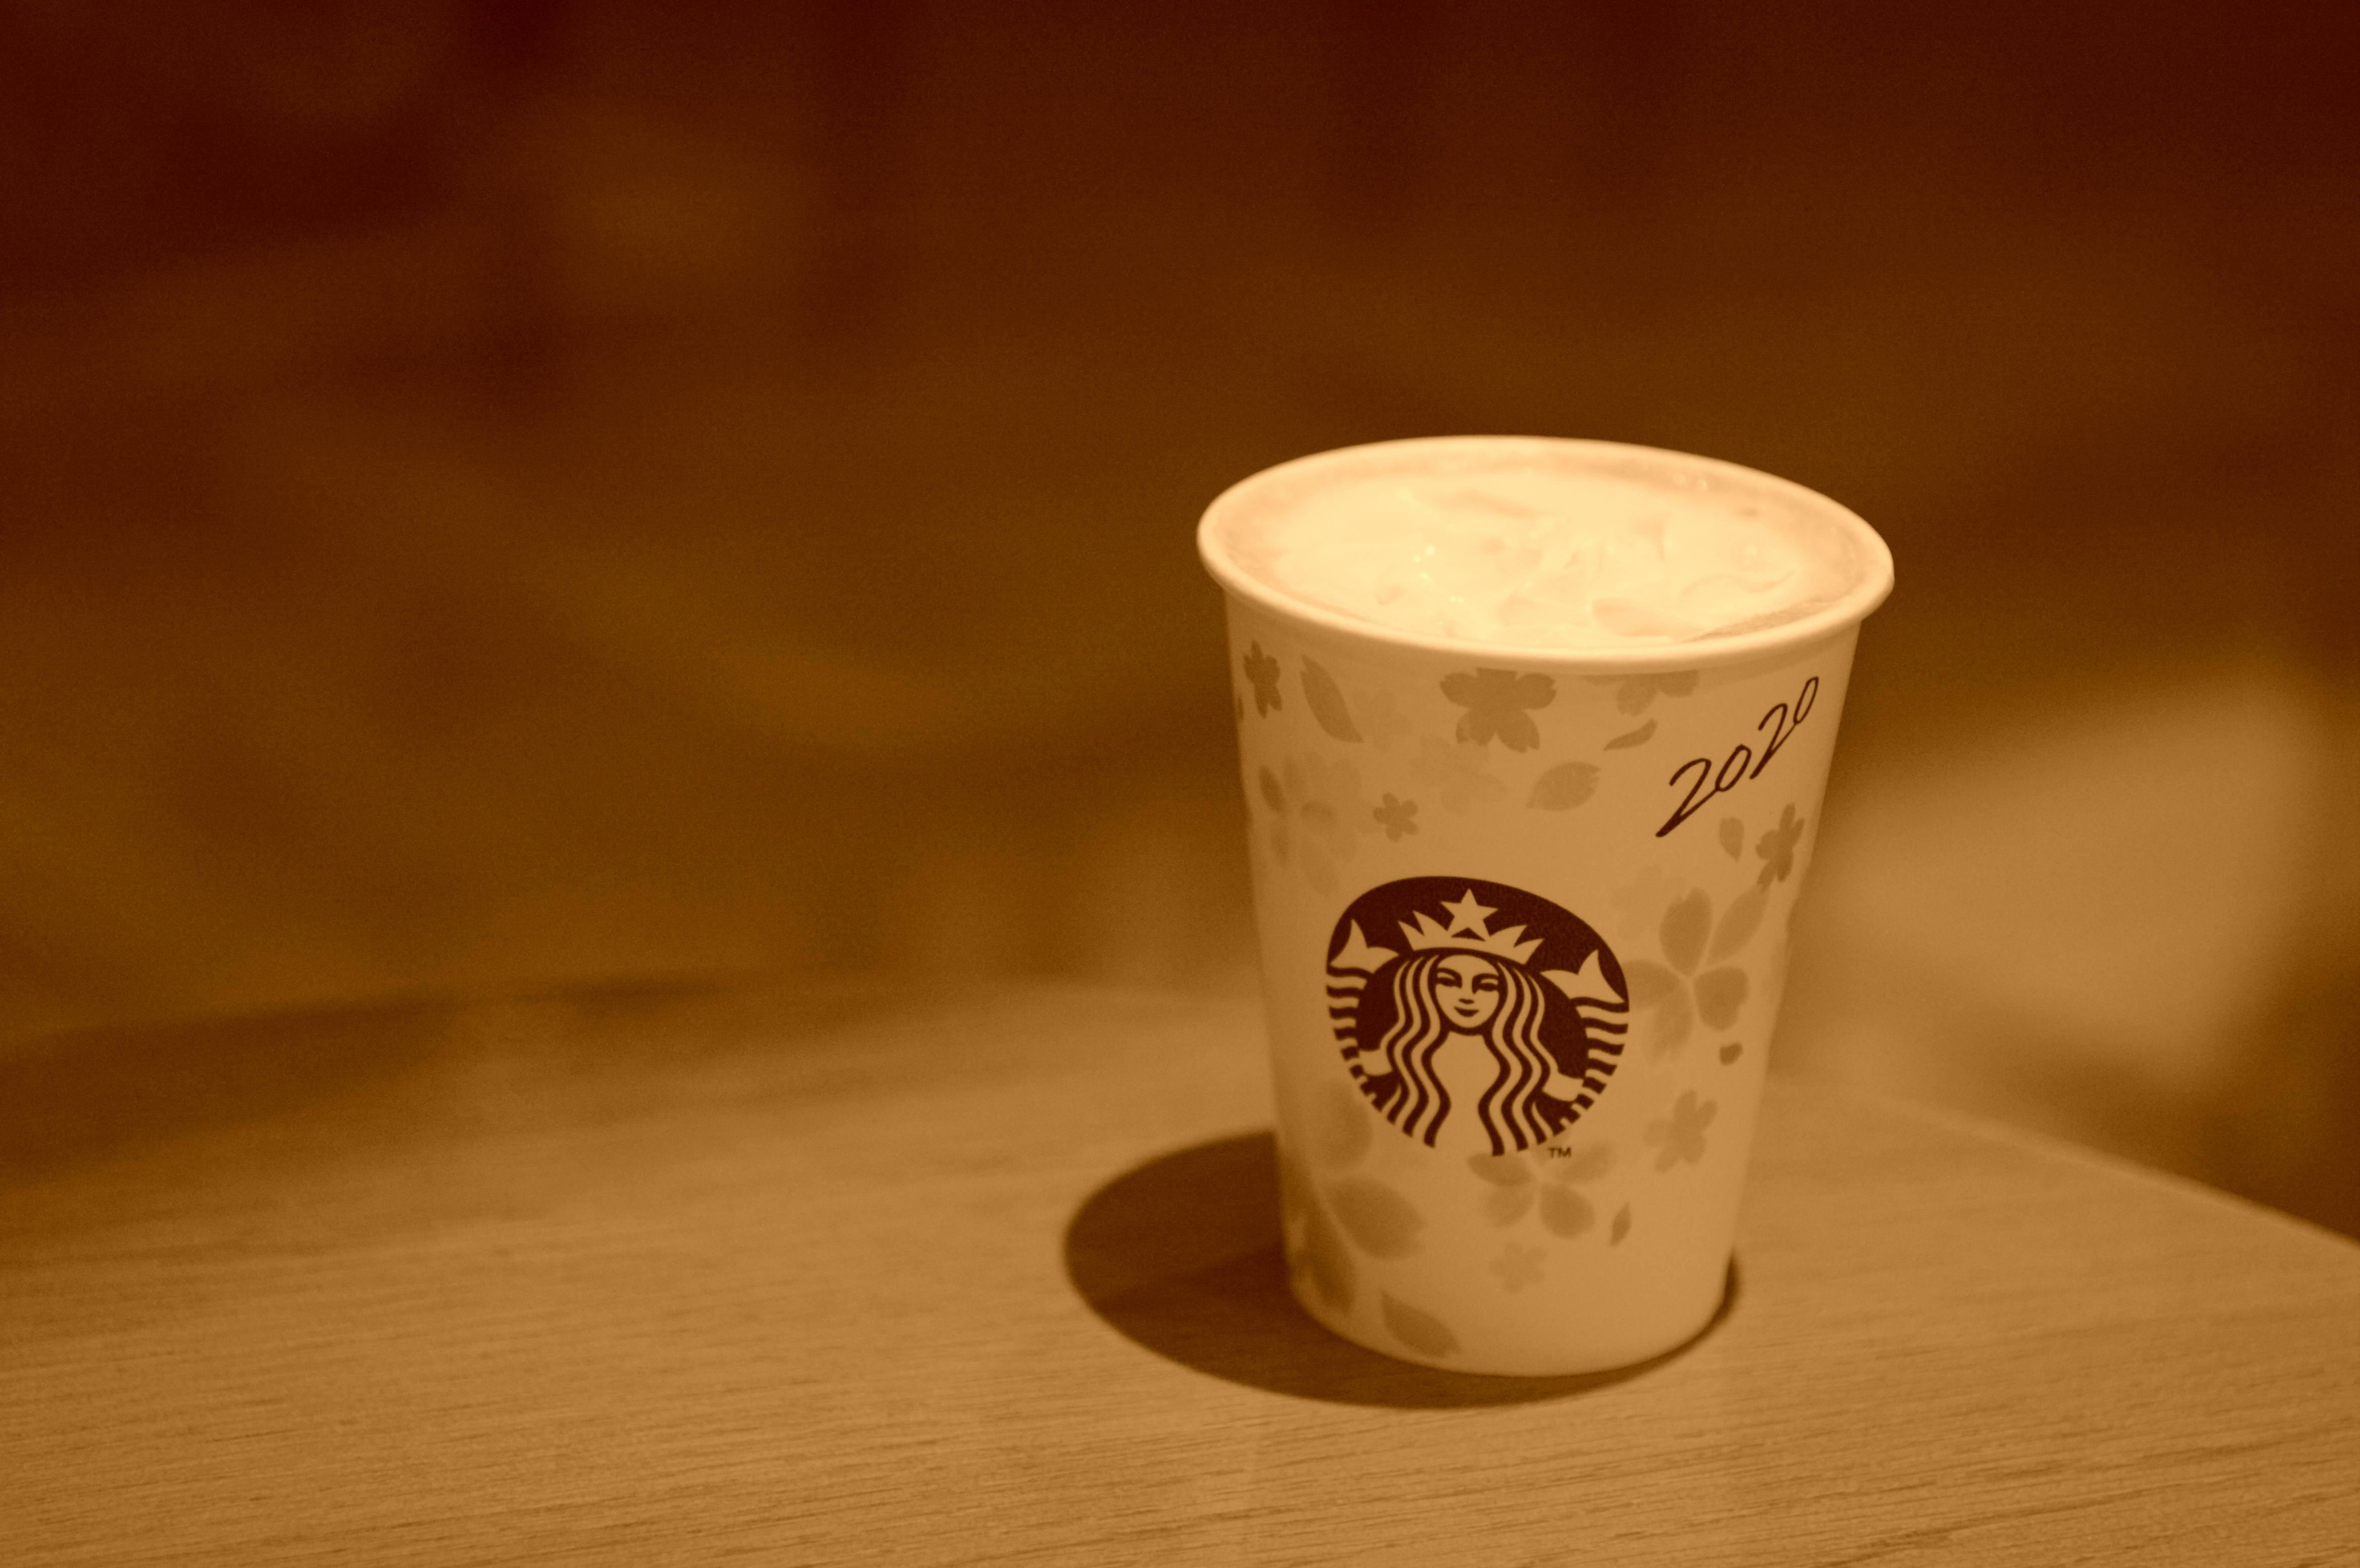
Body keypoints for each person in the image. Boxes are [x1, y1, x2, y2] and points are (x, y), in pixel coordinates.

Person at [1350, 948, 1591, 1157]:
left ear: (1510, 994)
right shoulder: (1403, 1045)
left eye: (1486, 986)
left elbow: (1569, 1092)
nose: (1466, 996)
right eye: (1448, 981)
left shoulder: (1529, 1059)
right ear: (1424, 986)